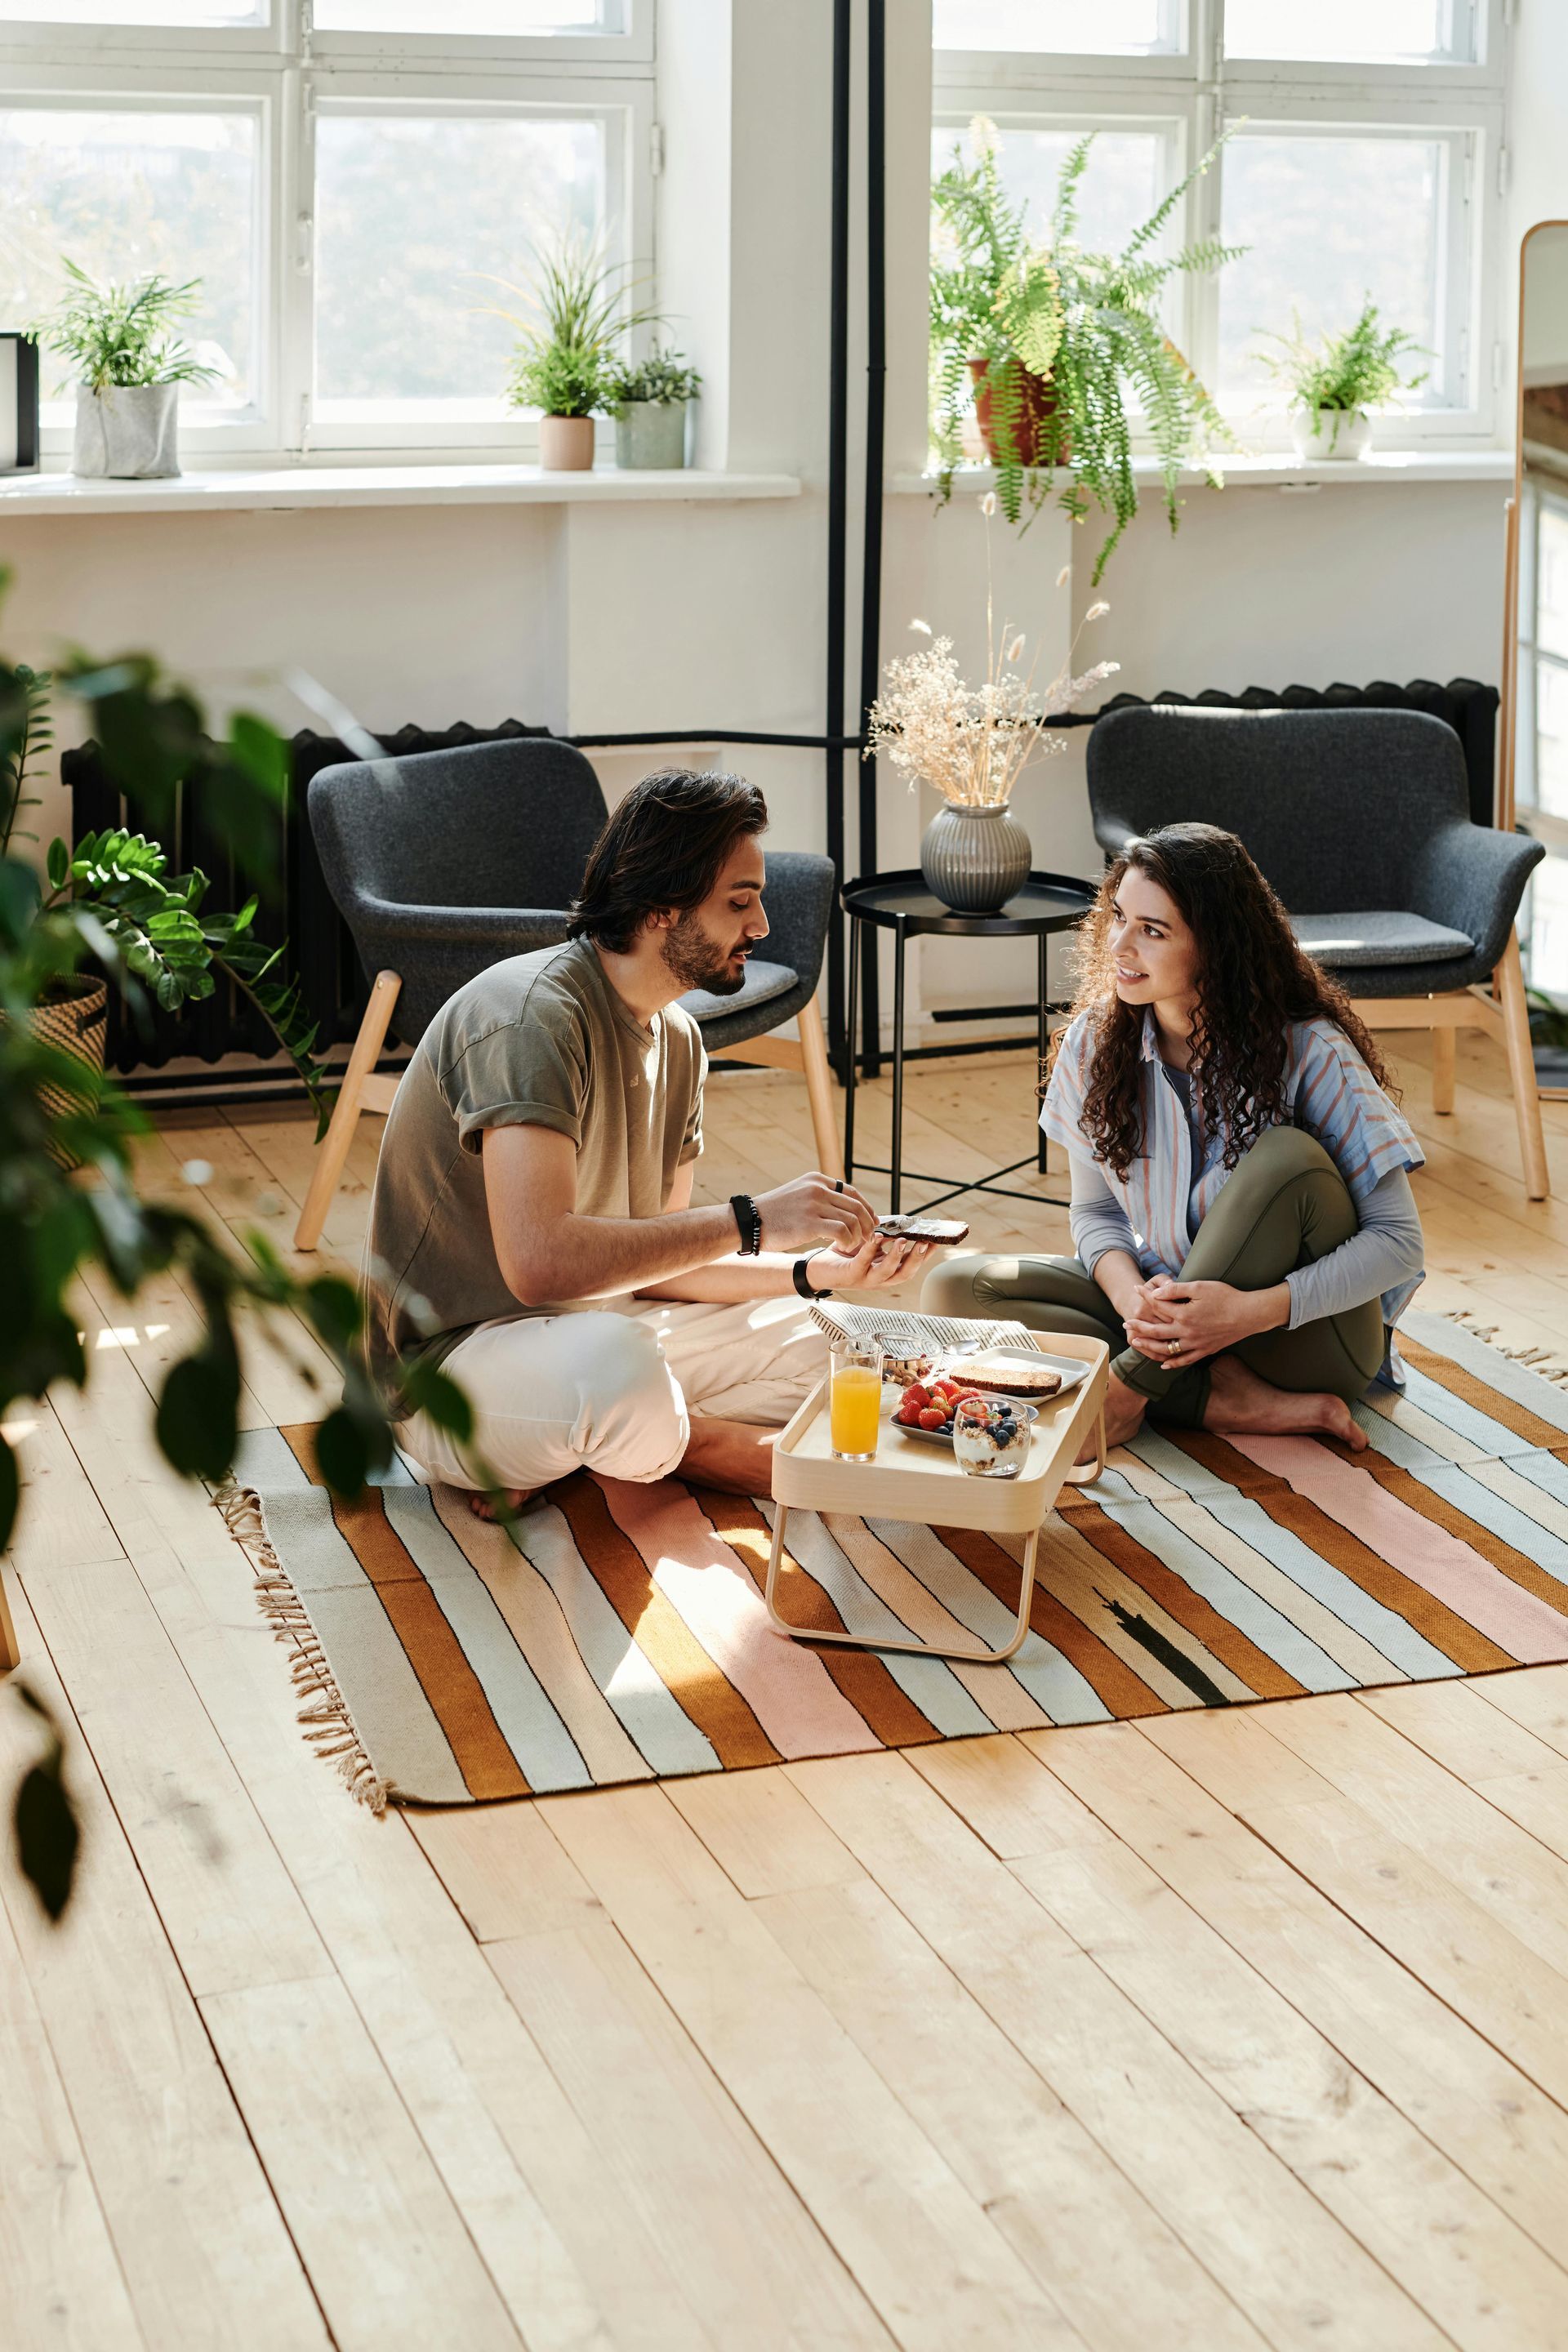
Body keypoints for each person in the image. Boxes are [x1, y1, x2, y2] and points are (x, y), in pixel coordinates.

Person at [363, 766, 933, 1515]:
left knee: (859, 1339)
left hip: (600, 1321)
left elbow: (659, 1267)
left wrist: (818, 1273)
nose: (760, 927)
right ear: (663, 907)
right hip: (455, 1369)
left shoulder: (680, 1038)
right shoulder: (532, 1017)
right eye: (740, 901)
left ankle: (591, 1448)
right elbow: (539, 1266)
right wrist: (754, 1221)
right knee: (615, 1368)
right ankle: (702, 1449)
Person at [921, 822, 1426, 1457]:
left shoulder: (1310, 1051)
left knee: (1288, 1158)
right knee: (957, 1290)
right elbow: (1095, 1212)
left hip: (1302, 1339)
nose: (1121, 946)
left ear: (1216, 945)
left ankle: (1131, 1389)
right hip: (1171, 1310)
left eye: (1152, 931)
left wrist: (1248, 1312)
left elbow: (1400, 1245)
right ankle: (1220, 1399)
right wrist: (1133, 1299)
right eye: (1118, 917)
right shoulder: (1093, 1043)